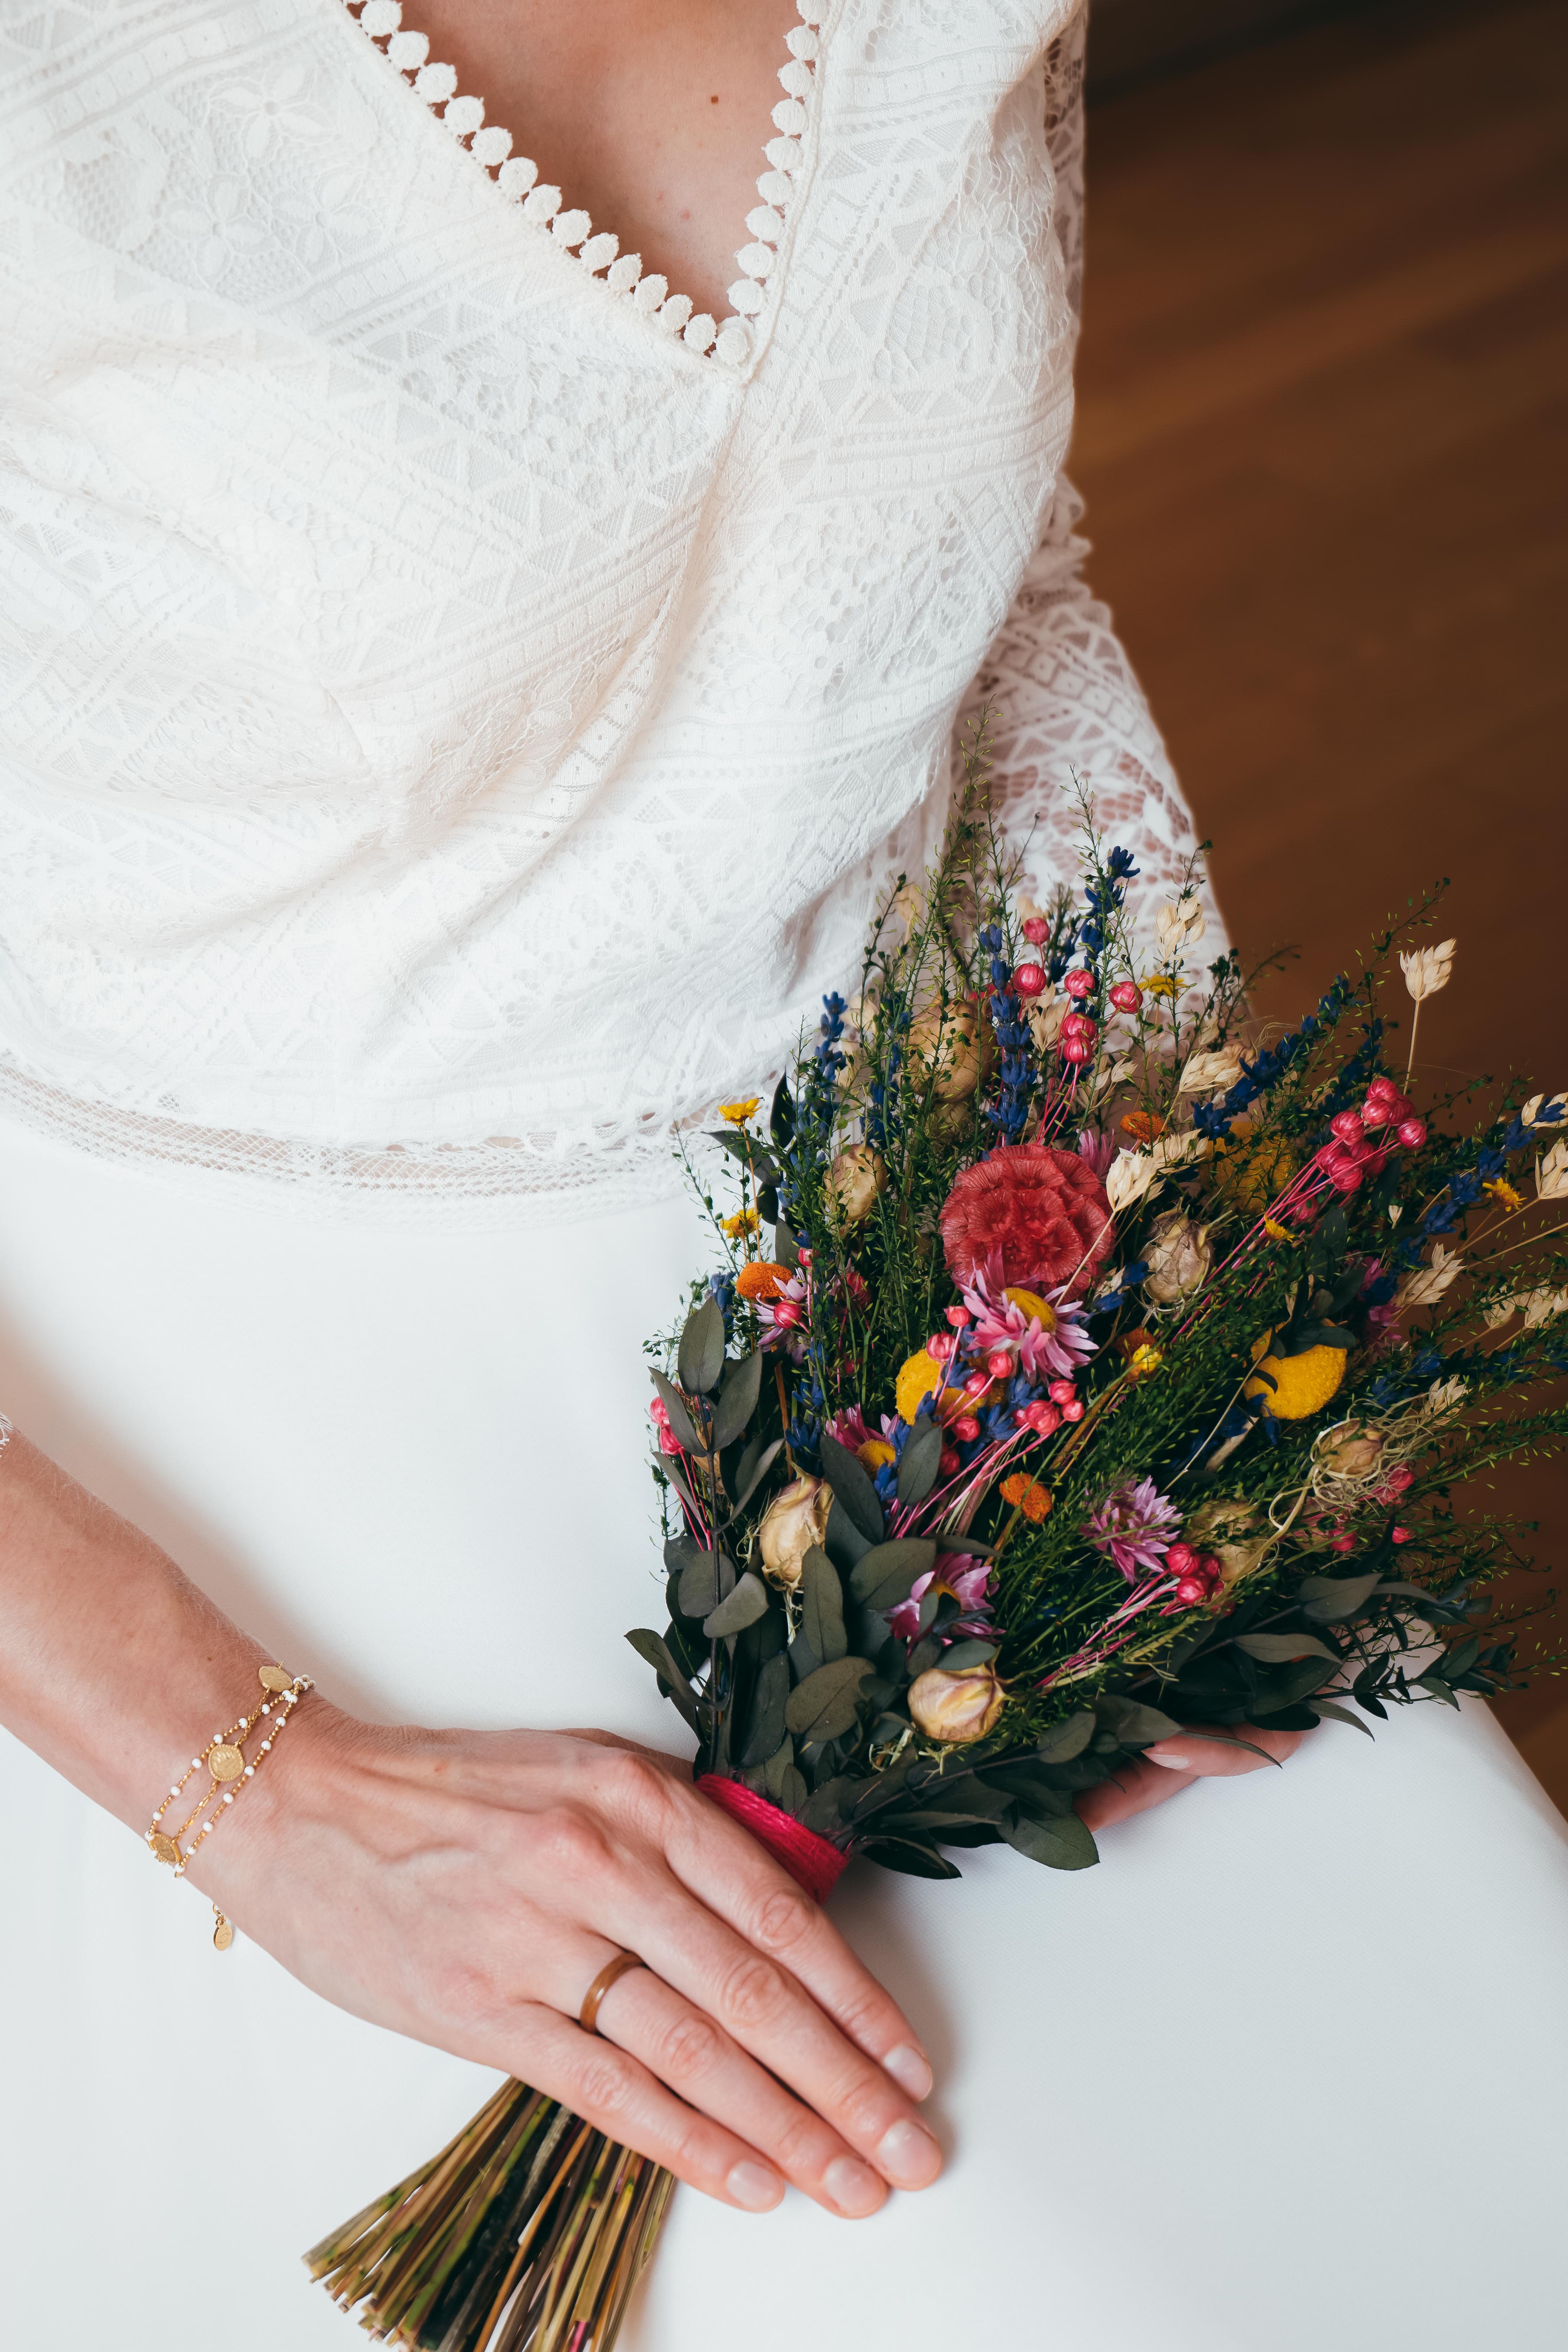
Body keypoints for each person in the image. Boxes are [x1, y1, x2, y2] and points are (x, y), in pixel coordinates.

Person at [2, 3, 1566, 2347]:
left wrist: (1155, 1346)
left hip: (906, 1338)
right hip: (177, 1471)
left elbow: (991, 585)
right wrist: (263, 1786)